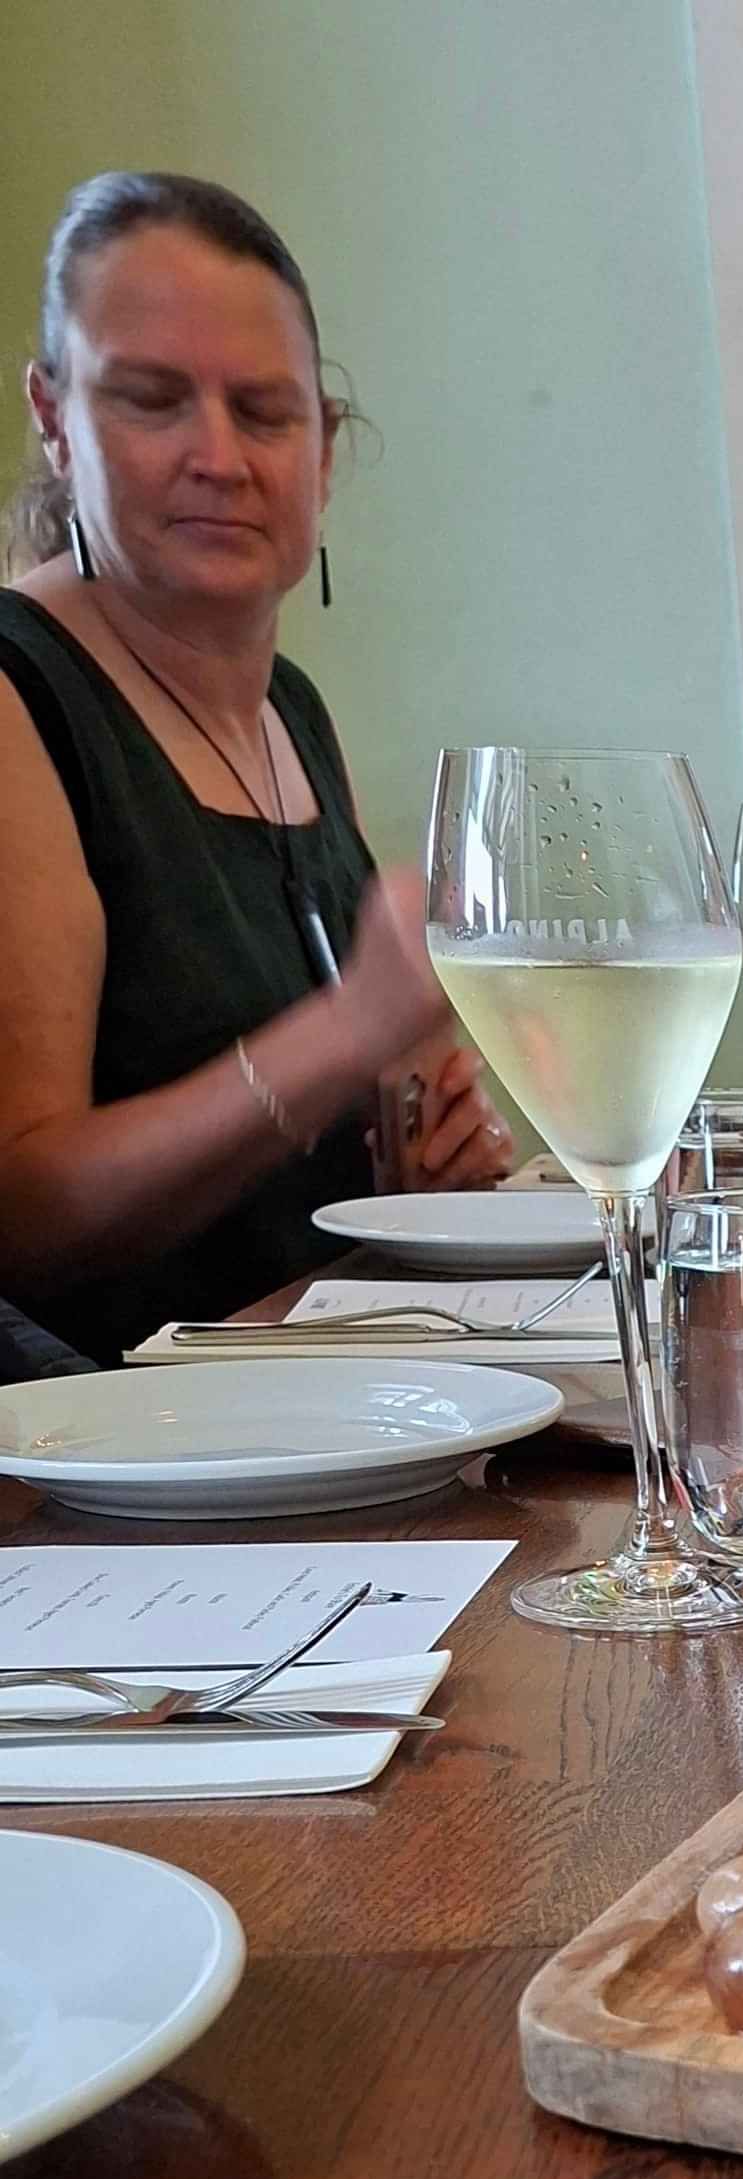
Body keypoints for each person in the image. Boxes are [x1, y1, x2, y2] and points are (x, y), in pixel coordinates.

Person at [0, 172, 509, 1365]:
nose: (217, 456)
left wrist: (415, 1146)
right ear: (54, 417)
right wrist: (344, 1036)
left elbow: (309, 1143)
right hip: (114, 1485)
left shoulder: (294, 708)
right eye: (152, 399)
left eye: (265, 411)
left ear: (325, 452)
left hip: (326, 1405)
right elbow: (21, 1214)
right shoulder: (21, 692)